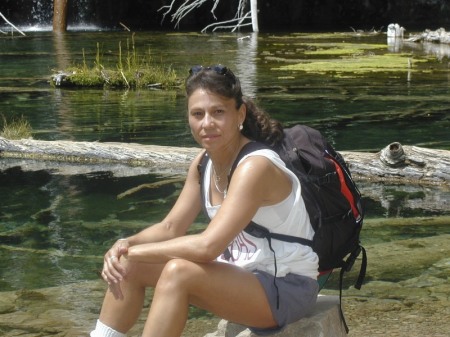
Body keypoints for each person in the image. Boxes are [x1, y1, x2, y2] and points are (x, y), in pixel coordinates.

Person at [90, 65, 319, 337]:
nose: (206, 123)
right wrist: (125, 246)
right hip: (239, 277)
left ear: (240, 114)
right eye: (197, 114)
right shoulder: (203, 164)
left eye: (218, 112)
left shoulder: (255, 166)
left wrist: (136, 252)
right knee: (127, 266)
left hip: (285, 286)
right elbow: (170, 227)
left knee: (178, 272)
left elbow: (207, 247)